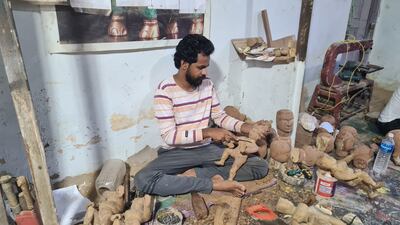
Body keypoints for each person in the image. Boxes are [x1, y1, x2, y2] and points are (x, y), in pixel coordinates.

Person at [134, 34, 269, 197]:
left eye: (207, 67)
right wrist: (208, 132)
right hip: (176, 152)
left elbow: (220, 117)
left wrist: (248, 127)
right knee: (143, 179)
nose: (205, 73)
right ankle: (212, 183)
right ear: (184, 64)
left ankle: (194, 175)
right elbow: (170, 136)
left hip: (206, 149)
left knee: (259, 166)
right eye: (200, 67)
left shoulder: (207, 85)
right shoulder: (165, 91)